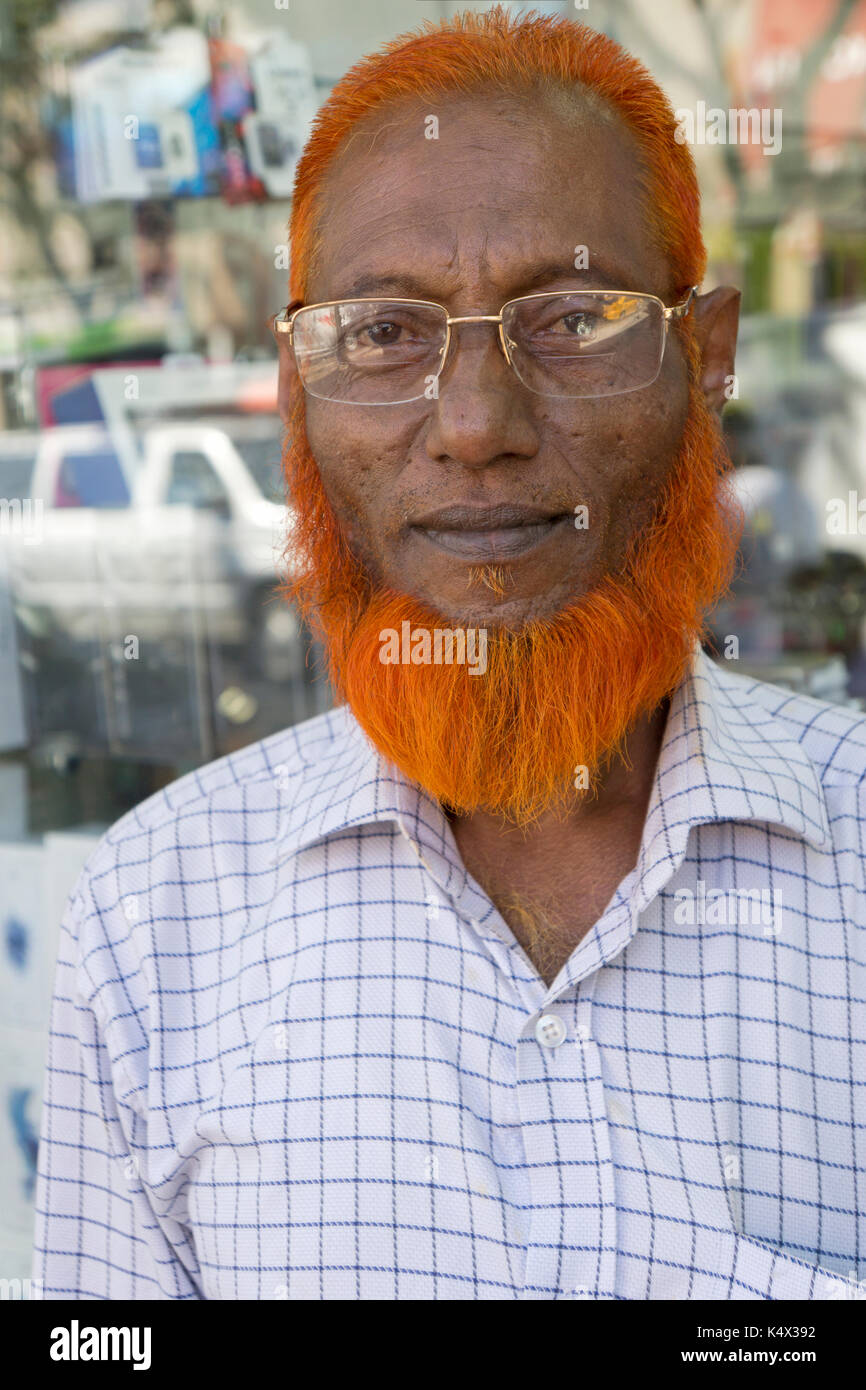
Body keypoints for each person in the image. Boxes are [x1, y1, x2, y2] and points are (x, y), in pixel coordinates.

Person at [34, 6, 866, 1300]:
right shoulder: (157, 916)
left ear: (704, 355)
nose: (474, 424)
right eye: (381, 333)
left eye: (575, 316)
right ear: (299, 391)